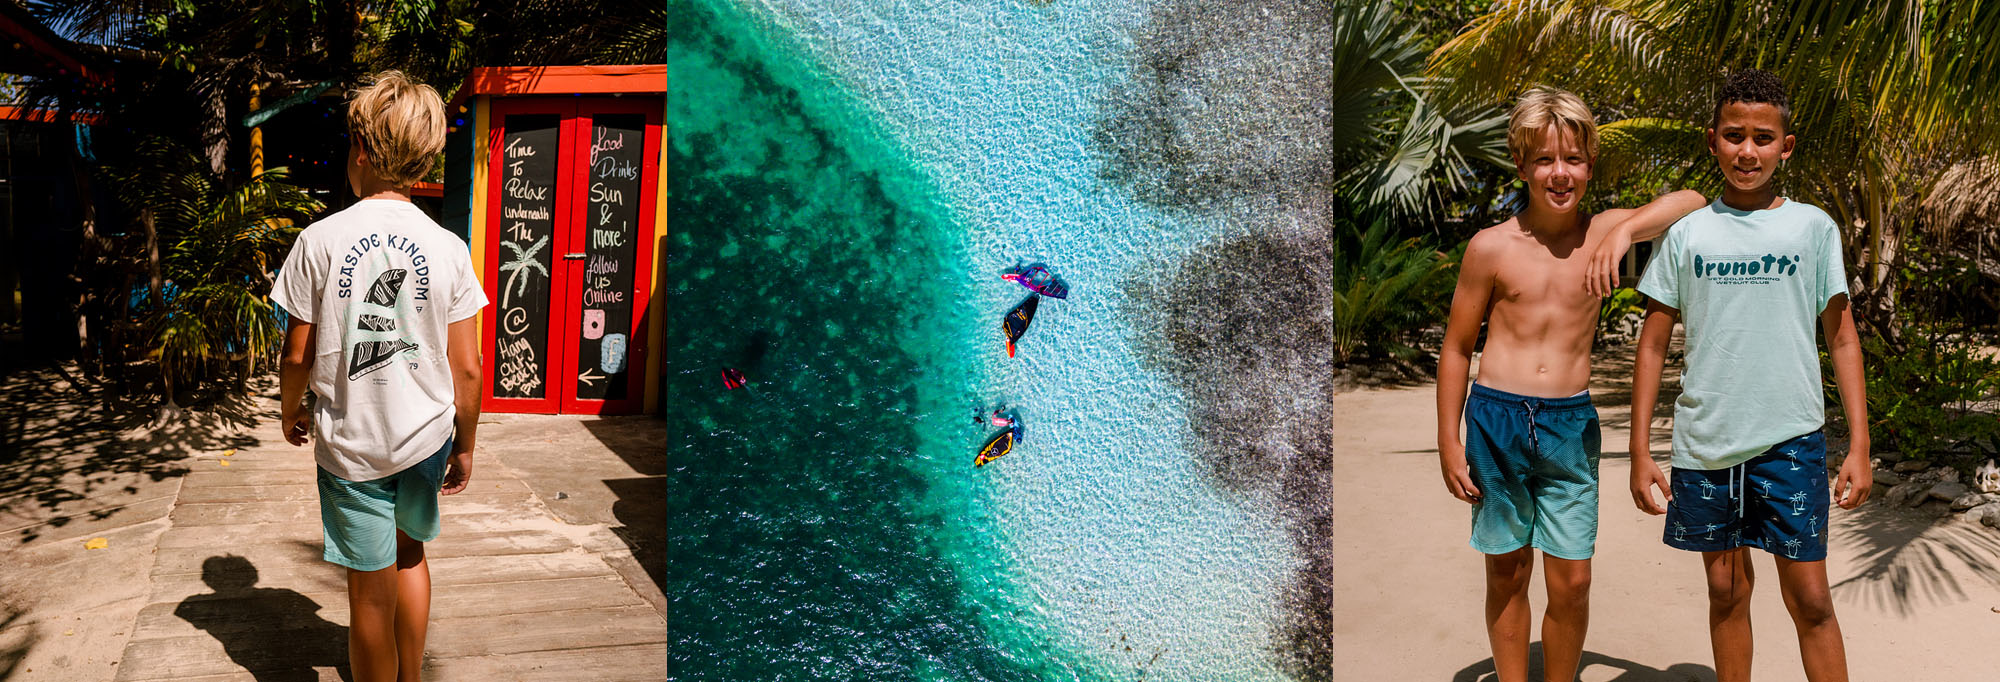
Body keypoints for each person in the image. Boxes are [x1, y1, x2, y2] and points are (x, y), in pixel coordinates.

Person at [1436, 85, 1707, 682]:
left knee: (1573, 578)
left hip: (1569, 424)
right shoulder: (1491, 247)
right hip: (1496, 418)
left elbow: (1692, 199)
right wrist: (1449, 441)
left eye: (1574, 159)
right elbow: (1457, 348)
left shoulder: (1605, 230)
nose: (1560, 174)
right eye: (1544, 160)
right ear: (1522, 166)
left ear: (1590, 163)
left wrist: (1623, 230)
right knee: (1507, 570)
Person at [1626, 69, 1871, 682]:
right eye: (1734, 136)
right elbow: (1653, 345)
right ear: (1713, 141)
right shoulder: (1687, 235)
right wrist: (1638, 448)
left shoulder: (1812, 228)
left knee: (1810, 600)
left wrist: (1860, 444)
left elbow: (1841, 336)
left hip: (1791, 441)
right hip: (1707, 445)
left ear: (1785, 147)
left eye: (1763, 138)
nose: (1747, 151)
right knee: (1727, 593)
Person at [272, 70, 486, 682]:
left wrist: (291, 409)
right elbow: (467, 366)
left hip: (352, 447)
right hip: (426, 439)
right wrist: (466, 446)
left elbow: (296, 356)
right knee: (410, 557)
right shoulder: (447, 246)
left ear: (361, 151)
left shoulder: (319, 240)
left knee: (368, 590)